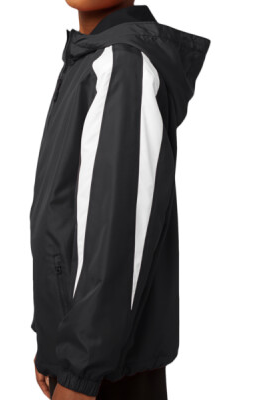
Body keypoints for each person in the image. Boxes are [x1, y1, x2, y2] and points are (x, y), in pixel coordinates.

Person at [30, 1, 210, 399]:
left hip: (106, 372)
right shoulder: (91, 57)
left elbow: (119, 234)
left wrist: (79, 371)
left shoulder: (123, 63)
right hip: (83, 355)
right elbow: (67, 216)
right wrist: (52, 343)